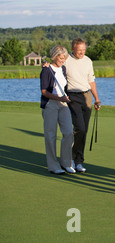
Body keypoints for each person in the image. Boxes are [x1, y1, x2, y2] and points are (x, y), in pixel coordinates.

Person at [65, 38, 101, 172]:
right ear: (73, 49)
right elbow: (55, 67)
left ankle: (79, 161)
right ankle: (71, 158)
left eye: (84, 50)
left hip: (86, 96)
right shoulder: (67, 60)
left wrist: (96, 98)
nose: (82, 52)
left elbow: (91, 81)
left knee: (84, 130)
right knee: (79, 128)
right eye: (79, 50)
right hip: (72, 96)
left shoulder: (88, 61)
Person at [40, 45, 75, 174]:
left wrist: (64, 99)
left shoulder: (63, 69)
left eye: (64, 58)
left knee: (68, 132)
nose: (63, 60)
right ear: (54, 56)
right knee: (51, 135)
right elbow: (44, 92)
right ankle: (53, 165)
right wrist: (59, 98)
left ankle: (66, 163)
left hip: (63, 105)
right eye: (60, 58)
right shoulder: (46, 70)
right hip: (50, 104)